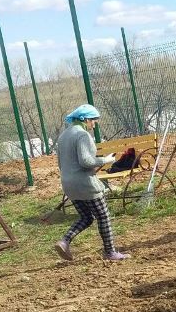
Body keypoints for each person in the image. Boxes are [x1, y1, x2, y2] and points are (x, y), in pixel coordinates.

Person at [54, 104, 130, 261]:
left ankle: (64, 241)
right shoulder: (82, 135)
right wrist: (106, 160)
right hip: (85, 184)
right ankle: (110, 252)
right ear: (84, 119)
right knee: (103, 216)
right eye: (93, 120)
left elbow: (61, 163)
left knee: (86, 217)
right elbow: (86, 161)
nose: (94, 124)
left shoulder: (63, 136)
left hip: (68, 184)